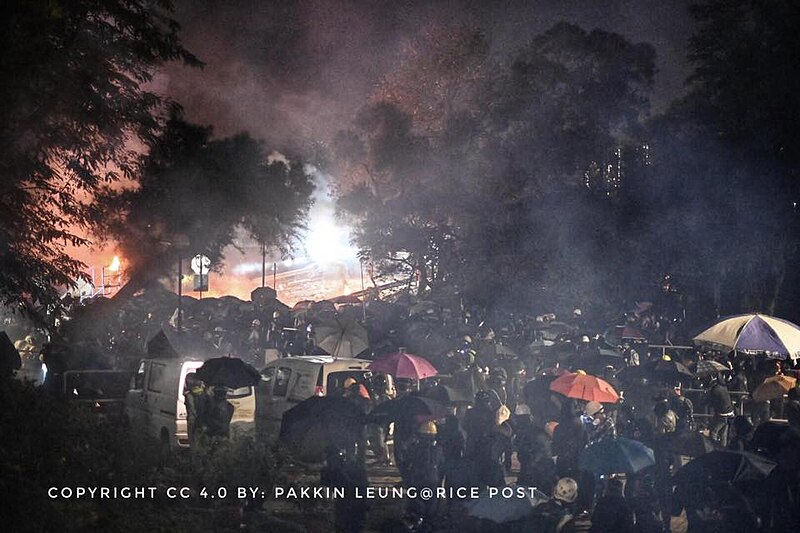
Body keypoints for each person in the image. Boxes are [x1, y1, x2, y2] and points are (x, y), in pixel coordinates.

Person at [321, 444, 370, 533]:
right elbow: (326, 490)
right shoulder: (327, 471)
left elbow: (361, 487)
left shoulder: (353, 469)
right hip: (341, 506)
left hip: (355, 505)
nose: (328, 461)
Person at [707, 375, 734, 446]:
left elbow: (711, 403)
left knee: (713, 432)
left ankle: (713, 447)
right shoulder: (723, 387)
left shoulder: (715, 390)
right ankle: (723, 449)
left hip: (722, 414)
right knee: (723, 434)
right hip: (729, 413)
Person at [183, 373, 207, 444]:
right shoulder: (204, 394)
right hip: (203, 421)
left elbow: (191, 407)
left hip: (193, 421)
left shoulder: (189, 395)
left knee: (193, 442)